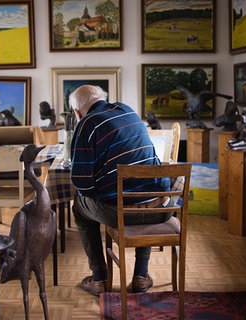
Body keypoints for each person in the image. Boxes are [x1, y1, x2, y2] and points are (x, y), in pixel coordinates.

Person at [68, 85, 172, 296]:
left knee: (79, 206)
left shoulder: (87, 124)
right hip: (161, 208)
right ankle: (141, 275)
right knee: (145, 192)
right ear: (103, 99)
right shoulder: (129, 111)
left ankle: (99, 278)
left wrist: (98, 185)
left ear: (77, 113)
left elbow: (82, 184)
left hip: (122, 213)